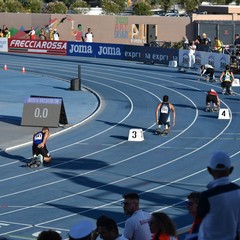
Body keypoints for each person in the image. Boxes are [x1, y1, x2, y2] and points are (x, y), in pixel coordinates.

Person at [197, 151, 240, 240]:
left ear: (209, 170)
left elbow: (199, 214)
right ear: (231, 170)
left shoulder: (207, 196)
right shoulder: (238, 191)